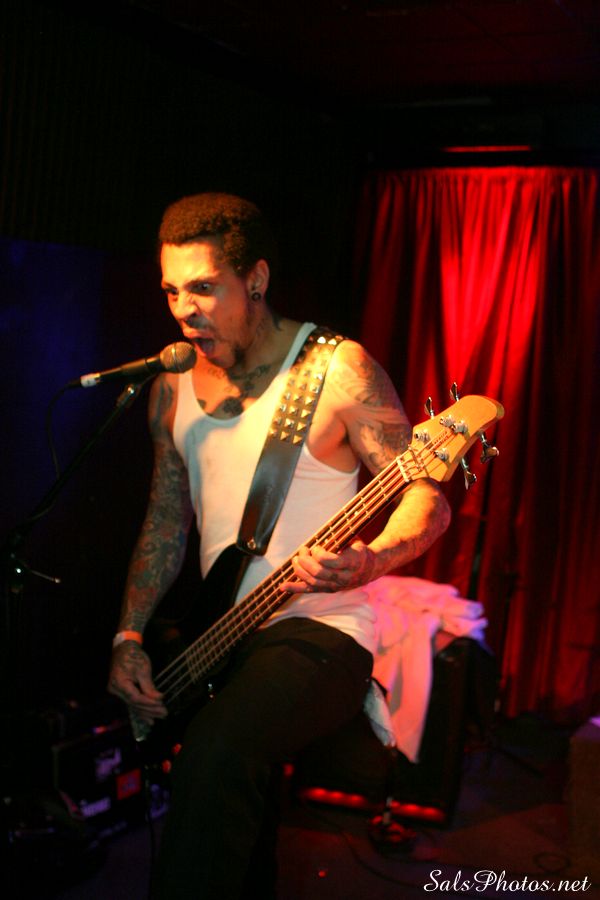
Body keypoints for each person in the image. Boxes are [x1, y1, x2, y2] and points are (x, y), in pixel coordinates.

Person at [108, 192, 451, 899]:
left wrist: (371, 558)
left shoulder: (336, 369)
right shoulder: (170, 386)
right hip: (219, 634)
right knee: (241, 830)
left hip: (324, 626)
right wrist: (129, 636)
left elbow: (428, 498)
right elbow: (166, 521)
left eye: (205, 287)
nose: (184, 309)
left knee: (216, 752)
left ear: (256, 279)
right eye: (171, 291)